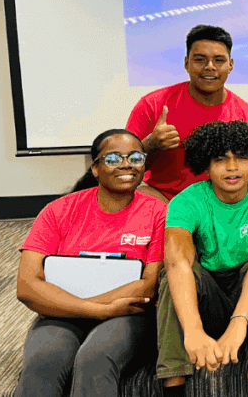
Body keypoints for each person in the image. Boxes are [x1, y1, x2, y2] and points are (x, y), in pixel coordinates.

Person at [14, 129, 166, 397]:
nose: (126, 165)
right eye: (113, 159)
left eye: (136, 157)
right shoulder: (58, 210)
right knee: (43, 363)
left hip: (128, 314)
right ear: (95, 168)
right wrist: (95, 310)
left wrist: (88, 306)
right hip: (62, 314)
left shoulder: (159, 213)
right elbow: (27, 286)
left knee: (95, 358)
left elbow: (148, 285)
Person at [156, 121, 248, 397]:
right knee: (170, 275)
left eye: (241, 158)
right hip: (208, 299)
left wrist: (239, 321)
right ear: (205, 166)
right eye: (220, 160)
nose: (233, 167)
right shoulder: (186, 201)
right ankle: (173, 386)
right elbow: (177, 262)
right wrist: (193, 331)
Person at [126, 24, 248, 202]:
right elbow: (125, 165)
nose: (209, 67)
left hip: (224, 205)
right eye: (200, 60)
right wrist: (151, 143)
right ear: (186, 63)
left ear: (230, 65)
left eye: (219, 60)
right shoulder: (153, 105)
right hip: (165, 201)